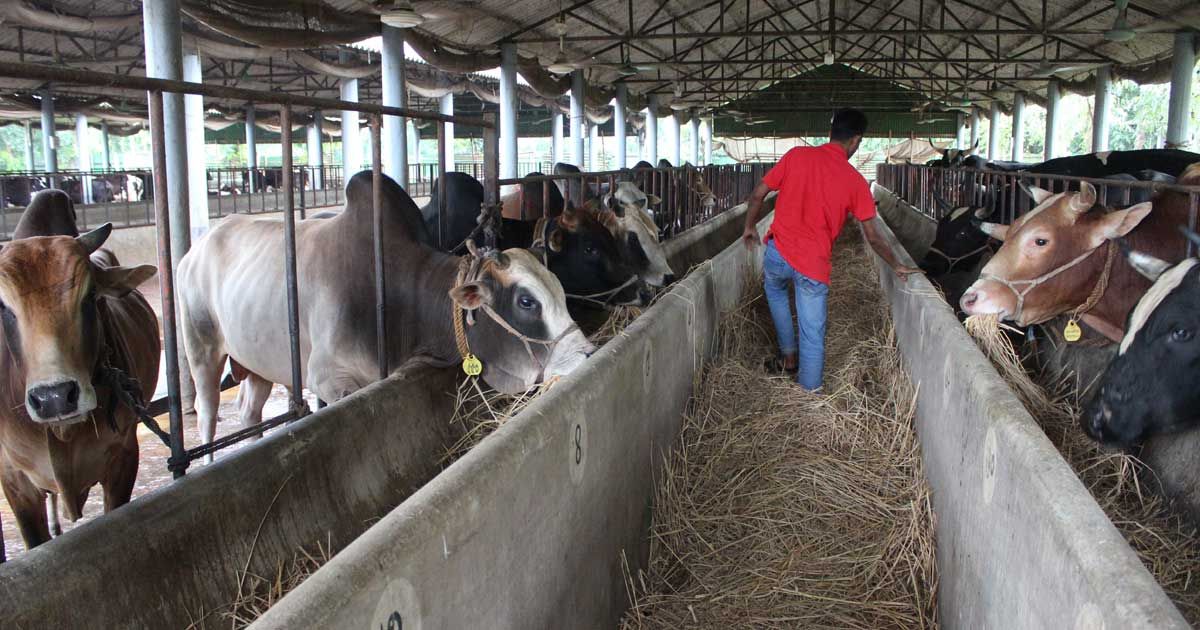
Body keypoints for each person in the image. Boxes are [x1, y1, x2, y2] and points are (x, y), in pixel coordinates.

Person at [741, 108, 919, 391]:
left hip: (778, 252)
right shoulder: (855, 181)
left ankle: (788, 358)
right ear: (856, 140)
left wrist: (749, 227)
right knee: (812, 333)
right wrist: (895, 264)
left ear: (830, 134)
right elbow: (872, 236)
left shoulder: (796, 156)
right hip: (813, 264)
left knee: (775, 291)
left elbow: (757, 194)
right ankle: (810, 395)